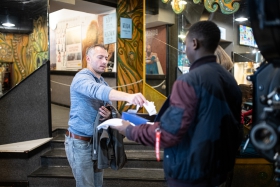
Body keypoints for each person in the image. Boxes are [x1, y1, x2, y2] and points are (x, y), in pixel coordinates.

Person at [111, 21, 243, 187]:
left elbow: (168, 133)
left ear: (194, 43)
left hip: (190, 175)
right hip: (219, 173)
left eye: (185, 43)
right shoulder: (229, 79)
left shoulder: (189, 80)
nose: (183, 48)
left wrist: (129, 130)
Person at [65, 44, 147, 187]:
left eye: (106, 58)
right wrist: (129, 97)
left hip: (97, 142)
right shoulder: (81, 77)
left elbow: (107, 102)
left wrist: (109, 113)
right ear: (88, 58)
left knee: (98, 184)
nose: (105, 61)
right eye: (100, 57)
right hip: (80, 143)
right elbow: (96, 90)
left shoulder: (101, 80)